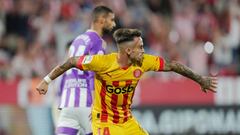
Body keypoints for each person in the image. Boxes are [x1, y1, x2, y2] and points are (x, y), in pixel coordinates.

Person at [36, 28, 218, 135]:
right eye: (140, 47)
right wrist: (46, 80)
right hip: (104, 121)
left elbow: (173, 66)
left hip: (126, 120)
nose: (143, 50)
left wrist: (200, 79)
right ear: (128, 52)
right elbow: (71, 61)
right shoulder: (103, 63)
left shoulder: (145, 61)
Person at [53, 6, 116, 135]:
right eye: (111, 20)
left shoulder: (76, 41)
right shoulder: (98, 42)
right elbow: (93, 74)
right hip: (86, 102)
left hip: (68, 103)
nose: (113, 24)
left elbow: (64, 75)